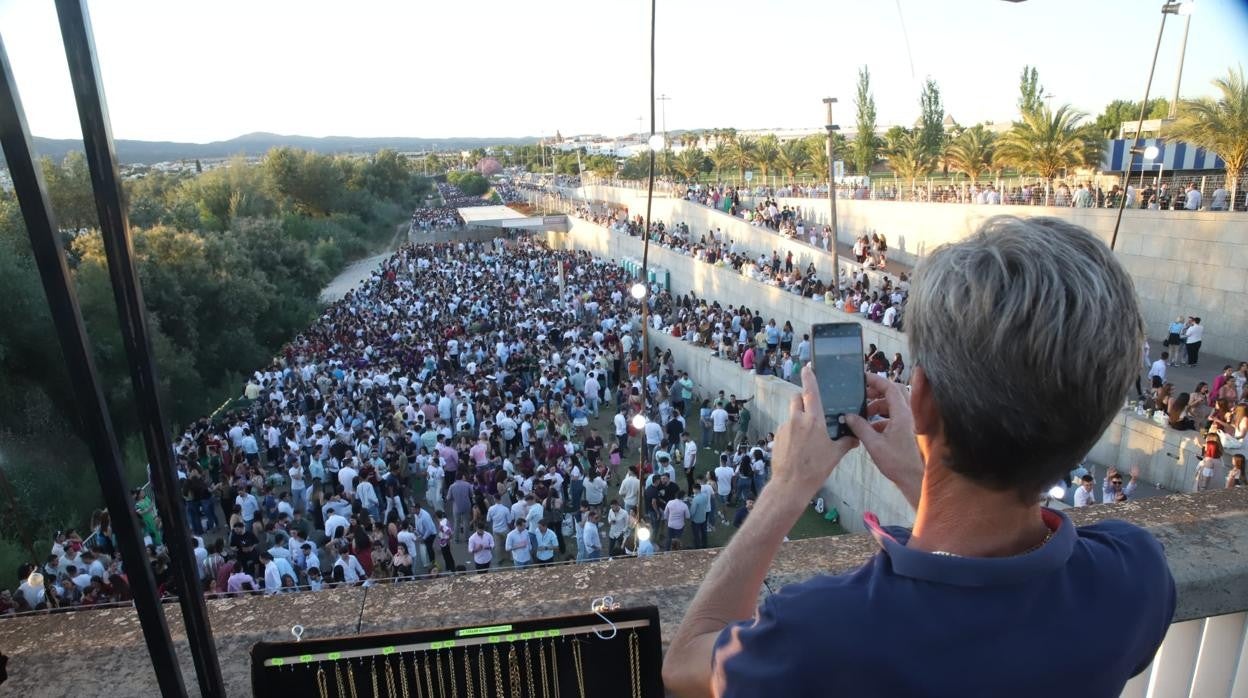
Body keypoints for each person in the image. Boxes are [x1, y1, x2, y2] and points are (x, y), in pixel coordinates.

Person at [663, 216, 1174, 697]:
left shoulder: (818, 631)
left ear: (921, 399)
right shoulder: (1134, 575)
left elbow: (684, 663)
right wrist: (918, 473)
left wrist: (788, 485)